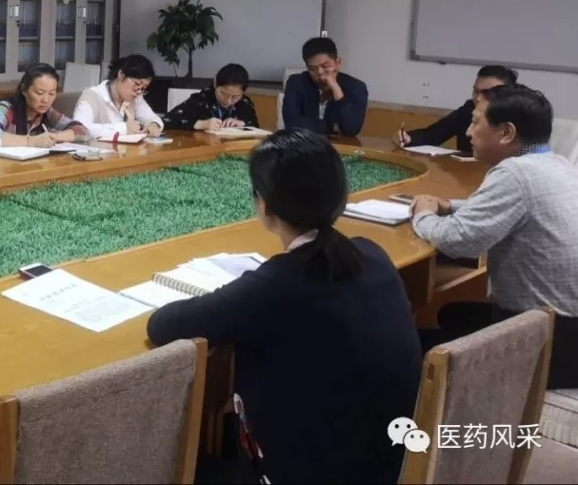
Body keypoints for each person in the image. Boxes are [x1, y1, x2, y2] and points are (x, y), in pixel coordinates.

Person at [147, 130, 421, 484]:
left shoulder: (276, 284)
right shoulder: (372, 253)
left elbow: (163, 325)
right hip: (392, 461)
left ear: (263, 204)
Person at [412, 85, 578, 388]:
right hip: (566, 326)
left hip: (552, 342)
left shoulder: (514, 174)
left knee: (417, 351)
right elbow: (520, 209)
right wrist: (452, 206)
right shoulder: (557, 164)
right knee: (453, 314)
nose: (468, 131)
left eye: (476, 122)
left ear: (506, 132)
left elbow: (458, 241)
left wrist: (423, 214)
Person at [394, 64, 517, 153]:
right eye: (476, 91)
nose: (479, 98)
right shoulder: (468, 110)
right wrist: (408, 138)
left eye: (487, 93)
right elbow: (432, 134)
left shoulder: (517, 118)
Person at [0, 64, 88, 147]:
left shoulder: (47, 112)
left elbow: (83, 131)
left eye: (51, 94)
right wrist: (32, 141)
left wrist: (54, 137)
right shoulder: (5, 109)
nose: (46, 100)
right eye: (39, 93)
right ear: (24, 90)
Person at [282, 37, 368, 136]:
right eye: (312, 69)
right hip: (303, 143)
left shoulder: (356, 87)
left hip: (338, 145)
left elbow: (351, 129)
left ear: (338, 63)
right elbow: (292, 124)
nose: (319, 72)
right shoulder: (296, 83)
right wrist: (331, 127)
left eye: (325, 66)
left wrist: (336, 89)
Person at [73, 55, 164, 139]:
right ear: (121, 74)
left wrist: (153, 125)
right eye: (136, 84)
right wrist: (124, 128)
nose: (138, 92)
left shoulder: (135, 98)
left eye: (143, 88)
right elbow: (79, 129)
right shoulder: (92, 96)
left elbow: (153, 119)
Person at [163, 63, 260, 131]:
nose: (228, 101)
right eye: (224, 94)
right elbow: (166, 121)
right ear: (215, 84)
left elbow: (256, 127)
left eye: (235, 97)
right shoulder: (201, 100)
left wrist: (243, 124)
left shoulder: (245, 103)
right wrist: (200, 124)